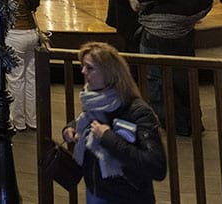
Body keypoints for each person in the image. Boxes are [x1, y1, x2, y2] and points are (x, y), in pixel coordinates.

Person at [137, 0, 222, 135]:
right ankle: (186, 123)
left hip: (156, 37)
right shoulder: (204, 1)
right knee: (181, 84)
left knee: (155, 78)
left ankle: (165, 120)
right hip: (180, 40)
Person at [62, 41, 167, 203]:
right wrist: (72, 128)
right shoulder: (94, 103)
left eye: (89, 68)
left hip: (127, 197)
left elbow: (156, 166)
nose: (83, 71)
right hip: (96, 192)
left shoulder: (138, 112)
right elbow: (88, 122)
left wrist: (108, 138)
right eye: (83, 66)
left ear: (109, 73)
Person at [4, 0, 42, 130]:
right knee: (31, 78)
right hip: (32, 34)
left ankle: (17, 121)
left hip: (15, 34)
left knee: (15, 79)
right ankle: (33, 119)